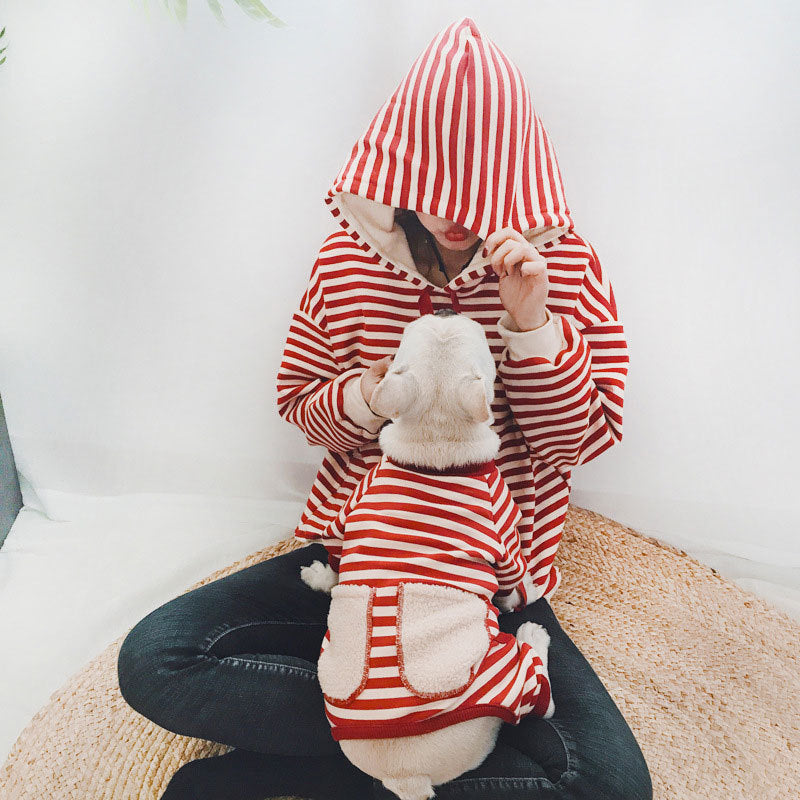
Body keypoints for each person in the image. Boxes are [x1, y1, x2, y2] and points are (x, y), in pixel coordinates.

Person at [117, 16, 652, 800]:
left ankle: (300, 772)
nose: (457, 210)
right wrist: (371, 396)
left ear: (513, 168)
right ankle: (411, 737)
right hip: (359, 554)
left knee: (611, 786)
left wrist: (532, 324)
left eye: (478, 184)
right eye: (438, 181)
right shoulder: (347, 259)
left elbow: (575, 444)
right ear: (406, 159)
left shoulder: (562, 265)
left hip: (488, 575)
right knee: (156, 660)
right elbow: (300, 404)